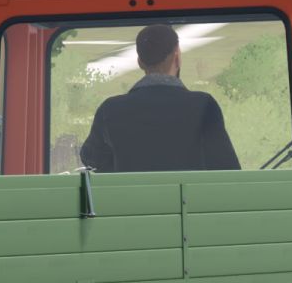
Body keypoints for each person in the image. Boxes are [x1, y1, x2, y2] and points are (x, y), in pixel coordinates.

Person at [79, 24, 240, 173]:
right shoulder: (204, 106)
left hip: (131, 196)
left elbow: (92, 161)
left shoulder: (110, 110)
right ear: (177, 58)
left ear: (140, 62)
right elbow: (227, 168)